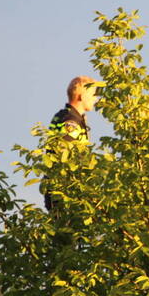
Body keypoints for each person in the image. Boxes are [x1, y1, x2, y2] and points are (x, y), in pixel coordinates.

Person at [43, 75, 103, 210]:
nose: (96, 99)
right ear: (81, 96)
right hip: (65, 190)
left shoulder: (64, 115)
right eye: (93, 95)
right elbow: (66, 157)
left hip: (59, 188)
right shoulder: (71, 120)